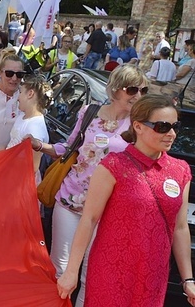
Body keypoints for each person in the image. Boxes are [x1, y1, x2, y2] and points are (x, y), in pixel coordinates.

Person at [56, 94, 193, 306]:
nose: (172, 134)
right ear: (138, 126)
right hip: (111, 270)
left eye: (175, 126)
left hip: (153, 274)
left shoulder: (180, 170)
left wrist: (188, 280)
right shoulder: (113, 166)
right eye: (163, 127)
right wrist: (71, 271)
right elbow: (89, 219)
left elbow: (180, 228)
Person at [29, 64, 149, 306]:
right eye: (133, 89)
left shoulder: (139, 124)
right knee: (60, 268)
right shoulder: (90, 112)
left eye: (143, 90)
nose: (138, 95)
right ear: (116, 89)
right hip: (71, 201)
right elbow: (69, 146)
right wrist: (41, 146)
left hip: (108, 211)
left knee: (91, 275)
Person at [7, 74, 52, 185]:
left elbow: (33, 167)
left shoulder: (35, 129)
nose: (18, 97)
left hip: (18, 182)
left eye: (21, 92)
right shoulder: (23, 116)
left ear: (30, 94)